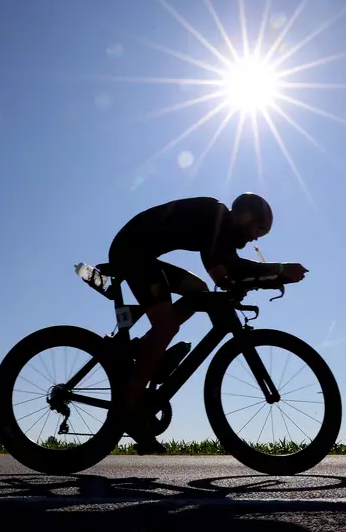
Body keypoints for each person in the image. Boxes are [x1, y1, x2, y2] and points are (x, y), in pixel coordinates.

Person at [106, 193, 308, 453]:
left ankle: (144, 348)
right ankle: (129, 409)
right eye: (259, 229)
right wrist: (279, 270)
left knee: (198, 291)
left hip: (139, 249)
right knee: (166, 325)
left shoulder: (219, 224)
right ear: (245, 216)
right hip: (132, 251)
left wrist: (262, 279)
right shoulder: (216, 218)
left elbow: (221, 278)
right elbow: (227, 270)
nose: (256, 238)